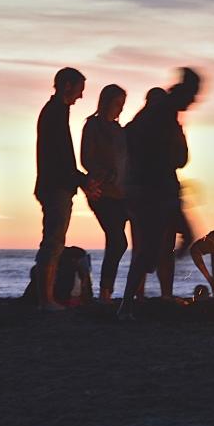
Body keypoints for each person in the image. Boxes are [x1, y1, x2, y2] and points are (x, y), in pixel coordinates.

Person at [119, 68, 201, 318]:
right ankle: (127, 304)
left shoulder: (162, 115)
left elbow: (178, 157)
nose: (195, 101)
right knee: (153, 250)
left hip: (155, 189)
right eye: (193, 95)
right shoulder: (162, 114)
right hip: (154, 191)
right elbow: (177, 157)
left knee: (167, 244)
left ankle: (130, 302)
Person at [34, 68, 98, 311]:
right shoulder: (54, 114)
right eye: (80, 90)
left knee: (54, 240)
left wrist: (79, 180)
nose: (81, 96)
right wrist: (81, 180)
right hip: (55, 186)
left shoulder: (57, 112)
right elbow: (60, 157)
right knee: (53, 242)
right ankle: (46, 300)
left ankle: (46, 299)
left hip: (56, 184)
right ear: (67, 86)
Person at [81, 84, 128, 303]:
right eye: (117, 103)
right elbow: (86, 158)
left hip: (121, 193)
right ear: (107, 102)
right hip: (102, 192)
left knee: (118, 241)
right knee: (118, 240)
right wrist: (104, 175)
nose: (119, 109)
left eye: (122, 104)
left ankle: (108, 293)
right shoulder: (93, 126)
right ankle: (105, 293)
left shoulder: (120, 131)